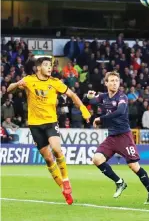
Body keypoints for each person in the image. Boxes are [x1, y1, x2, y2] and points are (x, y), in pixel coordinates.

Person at [7, 57, 91, 205]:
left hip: (51, 123)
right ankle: (64, 190)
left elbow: (72, 95)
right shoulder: (29, 80)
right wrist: (17, 84)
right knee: (48, 158)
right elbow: (8, 89)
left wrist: (83, 109)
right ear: (38, 68)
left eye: (50, 65)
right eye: (46, 65)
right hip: (35, 125)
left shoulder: (55, 82)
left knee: (57, 149)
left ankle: (65, 180)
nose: (49, 68)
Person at [84, 72, 149, 204]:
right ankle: (119, 182)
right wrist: (87, 96)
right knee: (97, 159)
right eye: (111, 81)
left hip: (124, 136)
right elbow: (89, 101)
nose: (114, 83)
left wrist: (100, 119)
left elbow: (119, 111)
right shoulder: (103, 97)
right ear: (106, 83)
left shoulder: (122, 97)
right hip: (112, 137)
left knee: (134, 166)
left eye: (117, 81)